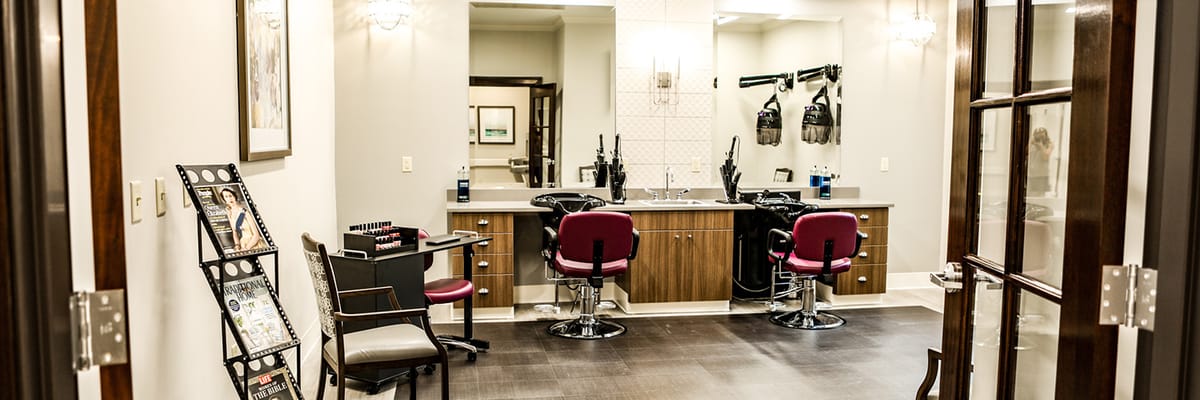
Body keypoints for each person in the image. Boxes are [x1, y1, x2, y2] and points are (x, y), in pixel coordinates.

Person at [221, 187, 264, 251]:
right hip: (242, 245)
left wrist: (246, 248)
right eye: (226, 197)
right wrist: (237, 246)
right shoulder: (229, 213)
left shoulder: (244, 211)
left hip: (253, 244)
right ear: (224, 199)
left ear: (234, 196)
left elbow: (256, 235)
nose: (229, 199)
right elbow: (234, 232)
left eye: (230, 196)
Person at [1028, 127, 1054, 196]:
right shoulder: (1032, 144)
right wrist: (1030, 142)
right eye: (1038, 135)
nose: (1040, 138)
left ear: (1046, 135)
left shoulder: (1049, 144)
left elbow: (1045, 157)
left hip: (1042, 175)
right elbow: (1024, 154)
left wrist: (1041, 146)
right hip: (1031, 174)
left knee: (1040, 196)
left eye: (1042, 135)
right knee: (1030, 195)